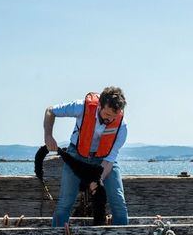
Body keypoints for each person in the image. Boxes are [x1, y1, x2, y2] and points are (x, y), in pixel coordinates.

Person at [43, 86, 129, 227]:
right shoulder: (81, 107)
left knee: (119, 202)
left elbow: (109, 160)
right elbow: (50, 111)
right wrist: (48, 136)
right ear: (99, 105)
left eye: (113, 117)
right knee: (65, 202)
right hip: (76, 156)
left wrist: (98, 180)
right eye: (107, 115)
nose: (109, 120)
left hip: (104, 159)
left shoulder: (122, 127)